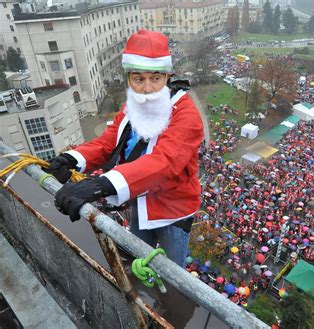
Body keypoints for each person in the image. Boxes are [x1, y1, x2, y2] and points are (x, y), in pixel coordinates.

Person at [46, 29, 204, 268]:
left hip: (173, 210)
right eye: (139, 79)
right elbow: (108, 143)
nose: (148, 88)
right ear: (129, 78)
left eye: (156, 78)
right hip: (140, 199)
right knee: (134, 258)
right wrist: (71, 158)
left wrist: (100, 185)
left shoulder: (186, 114)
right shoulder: (131, 107)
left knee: (173, 273)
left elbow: (165, 163)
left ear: (168, 76)